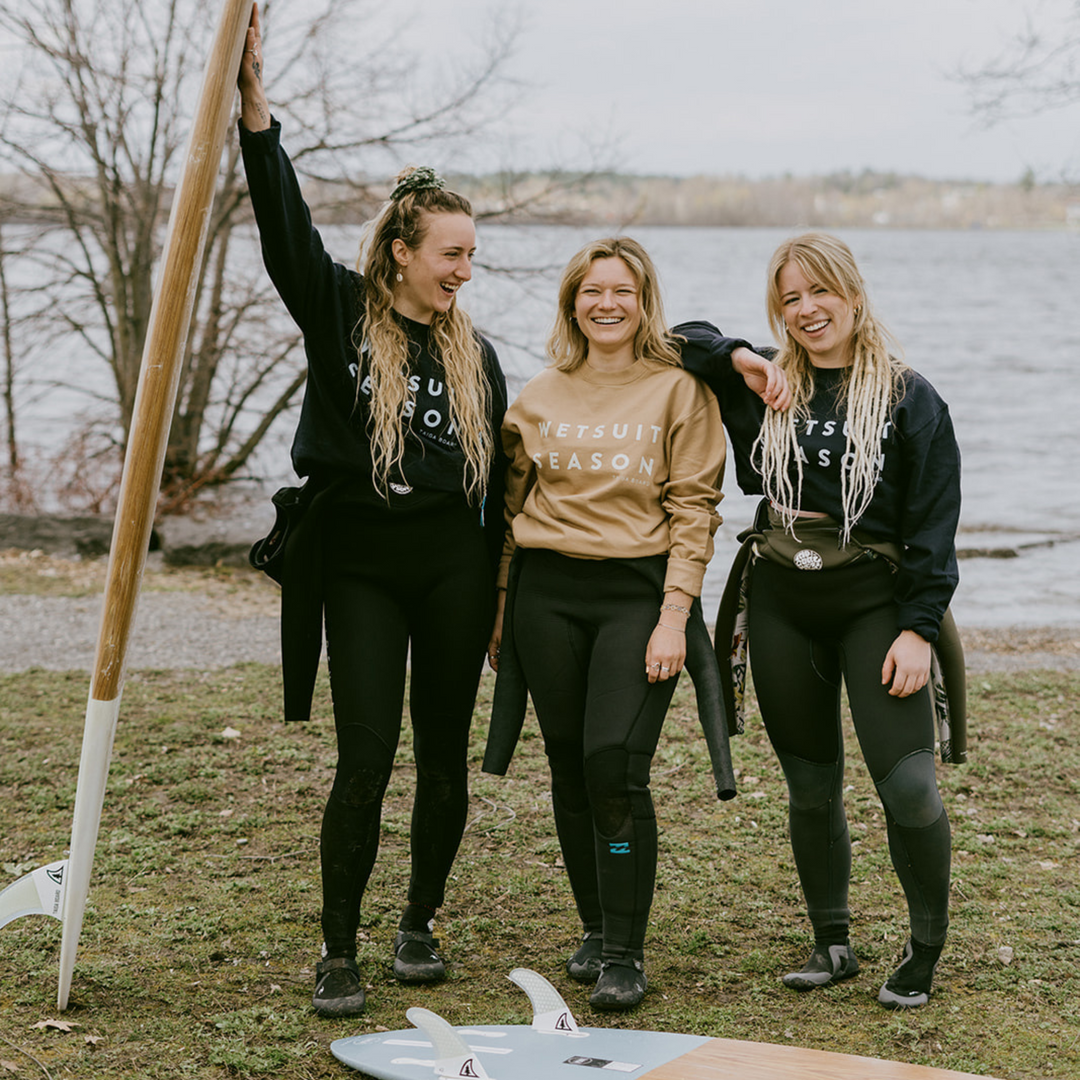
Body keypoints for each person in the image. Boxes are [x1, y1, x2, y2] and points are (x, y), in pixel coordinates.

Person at [237, 6, 507, 1018]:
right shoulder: (339, 311)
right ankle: (339, 949)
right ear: (400, 251)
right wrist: (256, 115)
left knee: (443, 755)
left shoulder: (477, 357)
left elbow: (494, 496)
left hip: (449, 566)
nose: (464, 271)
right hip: (356, 563)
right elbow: (282, 225)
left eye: (473, 255)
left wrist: (495, 598)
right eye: (451, 254)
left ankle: (419, 924)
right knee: (364, 757)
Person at [676, 232, 962, 1010]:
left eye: (819, 293)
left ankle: (923, 948)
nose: (806, 311)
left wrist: (919, 628)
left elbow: (936, 529)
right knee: (810, 786)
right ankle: (831, 943)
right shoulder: (767, 385)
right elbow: (673, 340)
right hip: (781, 600)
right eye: (790, 299)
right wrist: (740, 355)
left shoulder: (909, 395)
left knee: (908, 789)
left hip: (874, 603)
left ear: (853, 294)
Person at [481, 236, 729, 1011]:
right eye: (592, 291)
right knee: (567, 766)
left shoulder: (678, 393)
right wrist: (499, 613)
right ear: (572, 303)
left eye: (622, 290)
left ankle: (626, 952)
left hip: (637, 595)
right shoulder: (539, 395)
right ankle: (593, 927)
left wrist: (673, 618)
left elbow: (695, 511)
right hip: (546, 597)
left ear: (644, 300)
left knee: (613, 763)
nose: (606, 303)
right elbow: (510, 509)